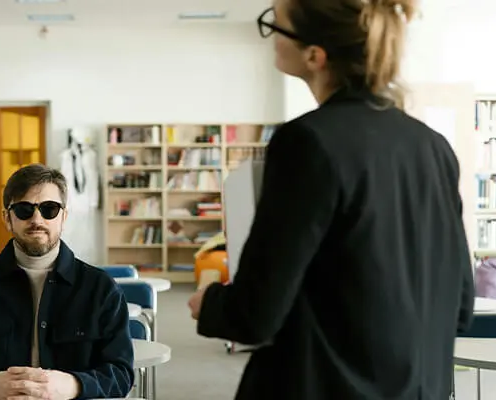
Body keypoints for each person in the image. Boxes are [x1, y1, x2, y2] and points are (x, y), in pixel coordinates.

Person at [187, 0, 475, 399]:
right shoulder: (433, 146)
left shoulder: (308, 142)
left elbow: (256, 315)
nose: (269, 37)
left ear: (314, 55)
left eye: (277, 25)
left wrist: (211, 302)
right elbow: (461, 306)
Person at [0, 163, 134, 400]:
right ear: (7, 218)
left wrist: (73, 385)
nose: (37, 219)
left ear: (63, 217)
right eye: (24, 209)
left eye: (49, 209)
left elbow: (121, 374)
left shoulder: (101, 289)